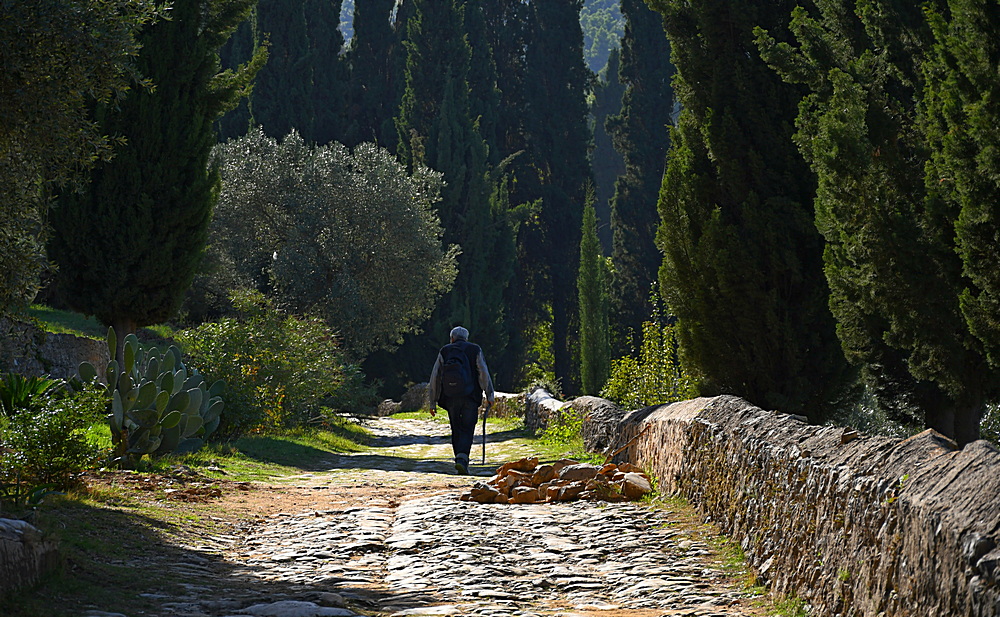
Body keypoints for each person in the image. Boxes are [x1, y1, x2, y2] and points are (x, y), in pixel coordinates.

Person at [427, 326, 495, 475]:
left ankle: (459, 457)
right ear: (466, 338)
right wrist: (489, 394)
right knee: (468, 427)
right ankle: (462, 459)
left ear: (452, 338)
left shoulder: (445, 350)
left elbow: (435, 376)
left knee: (456, 428)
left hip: (450, 397)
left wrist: (432, 401)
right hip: (470, 397)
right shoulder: (474, 349)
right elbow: (483, 372)